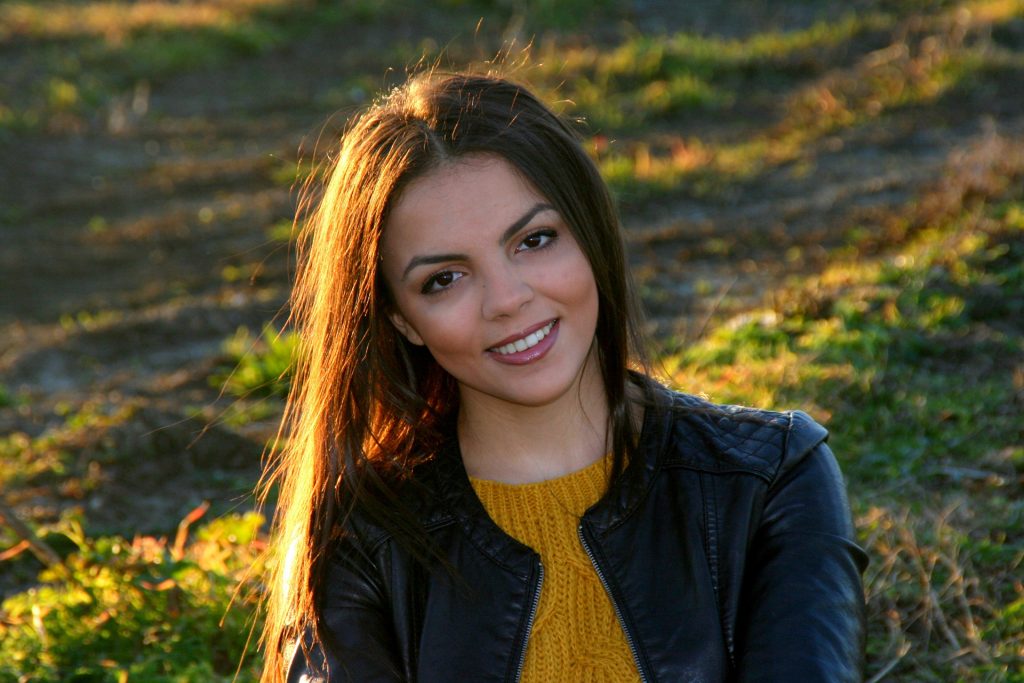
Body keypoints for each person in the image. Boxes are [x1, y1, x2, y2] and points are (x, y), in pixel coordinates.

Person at [259, 70, 868, 683]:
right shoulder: (359, 533)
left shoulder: (769, 479)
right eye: (444, 279)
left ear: (590, 234)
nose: (507, 298)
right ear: (403, 320)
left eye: (535, 240)